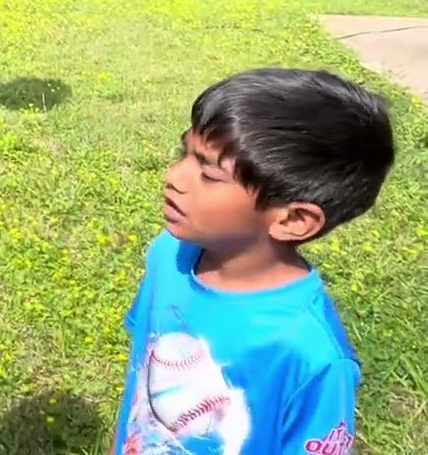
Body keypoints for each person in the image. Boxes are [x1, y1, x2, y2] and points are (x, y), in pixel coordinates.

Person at [112, 67, 395, 455]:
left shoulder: (312, 355)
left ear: (293, 220)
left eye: (209, 173)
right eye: (183, 153)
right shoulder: (168, 255)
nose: (175, 176)